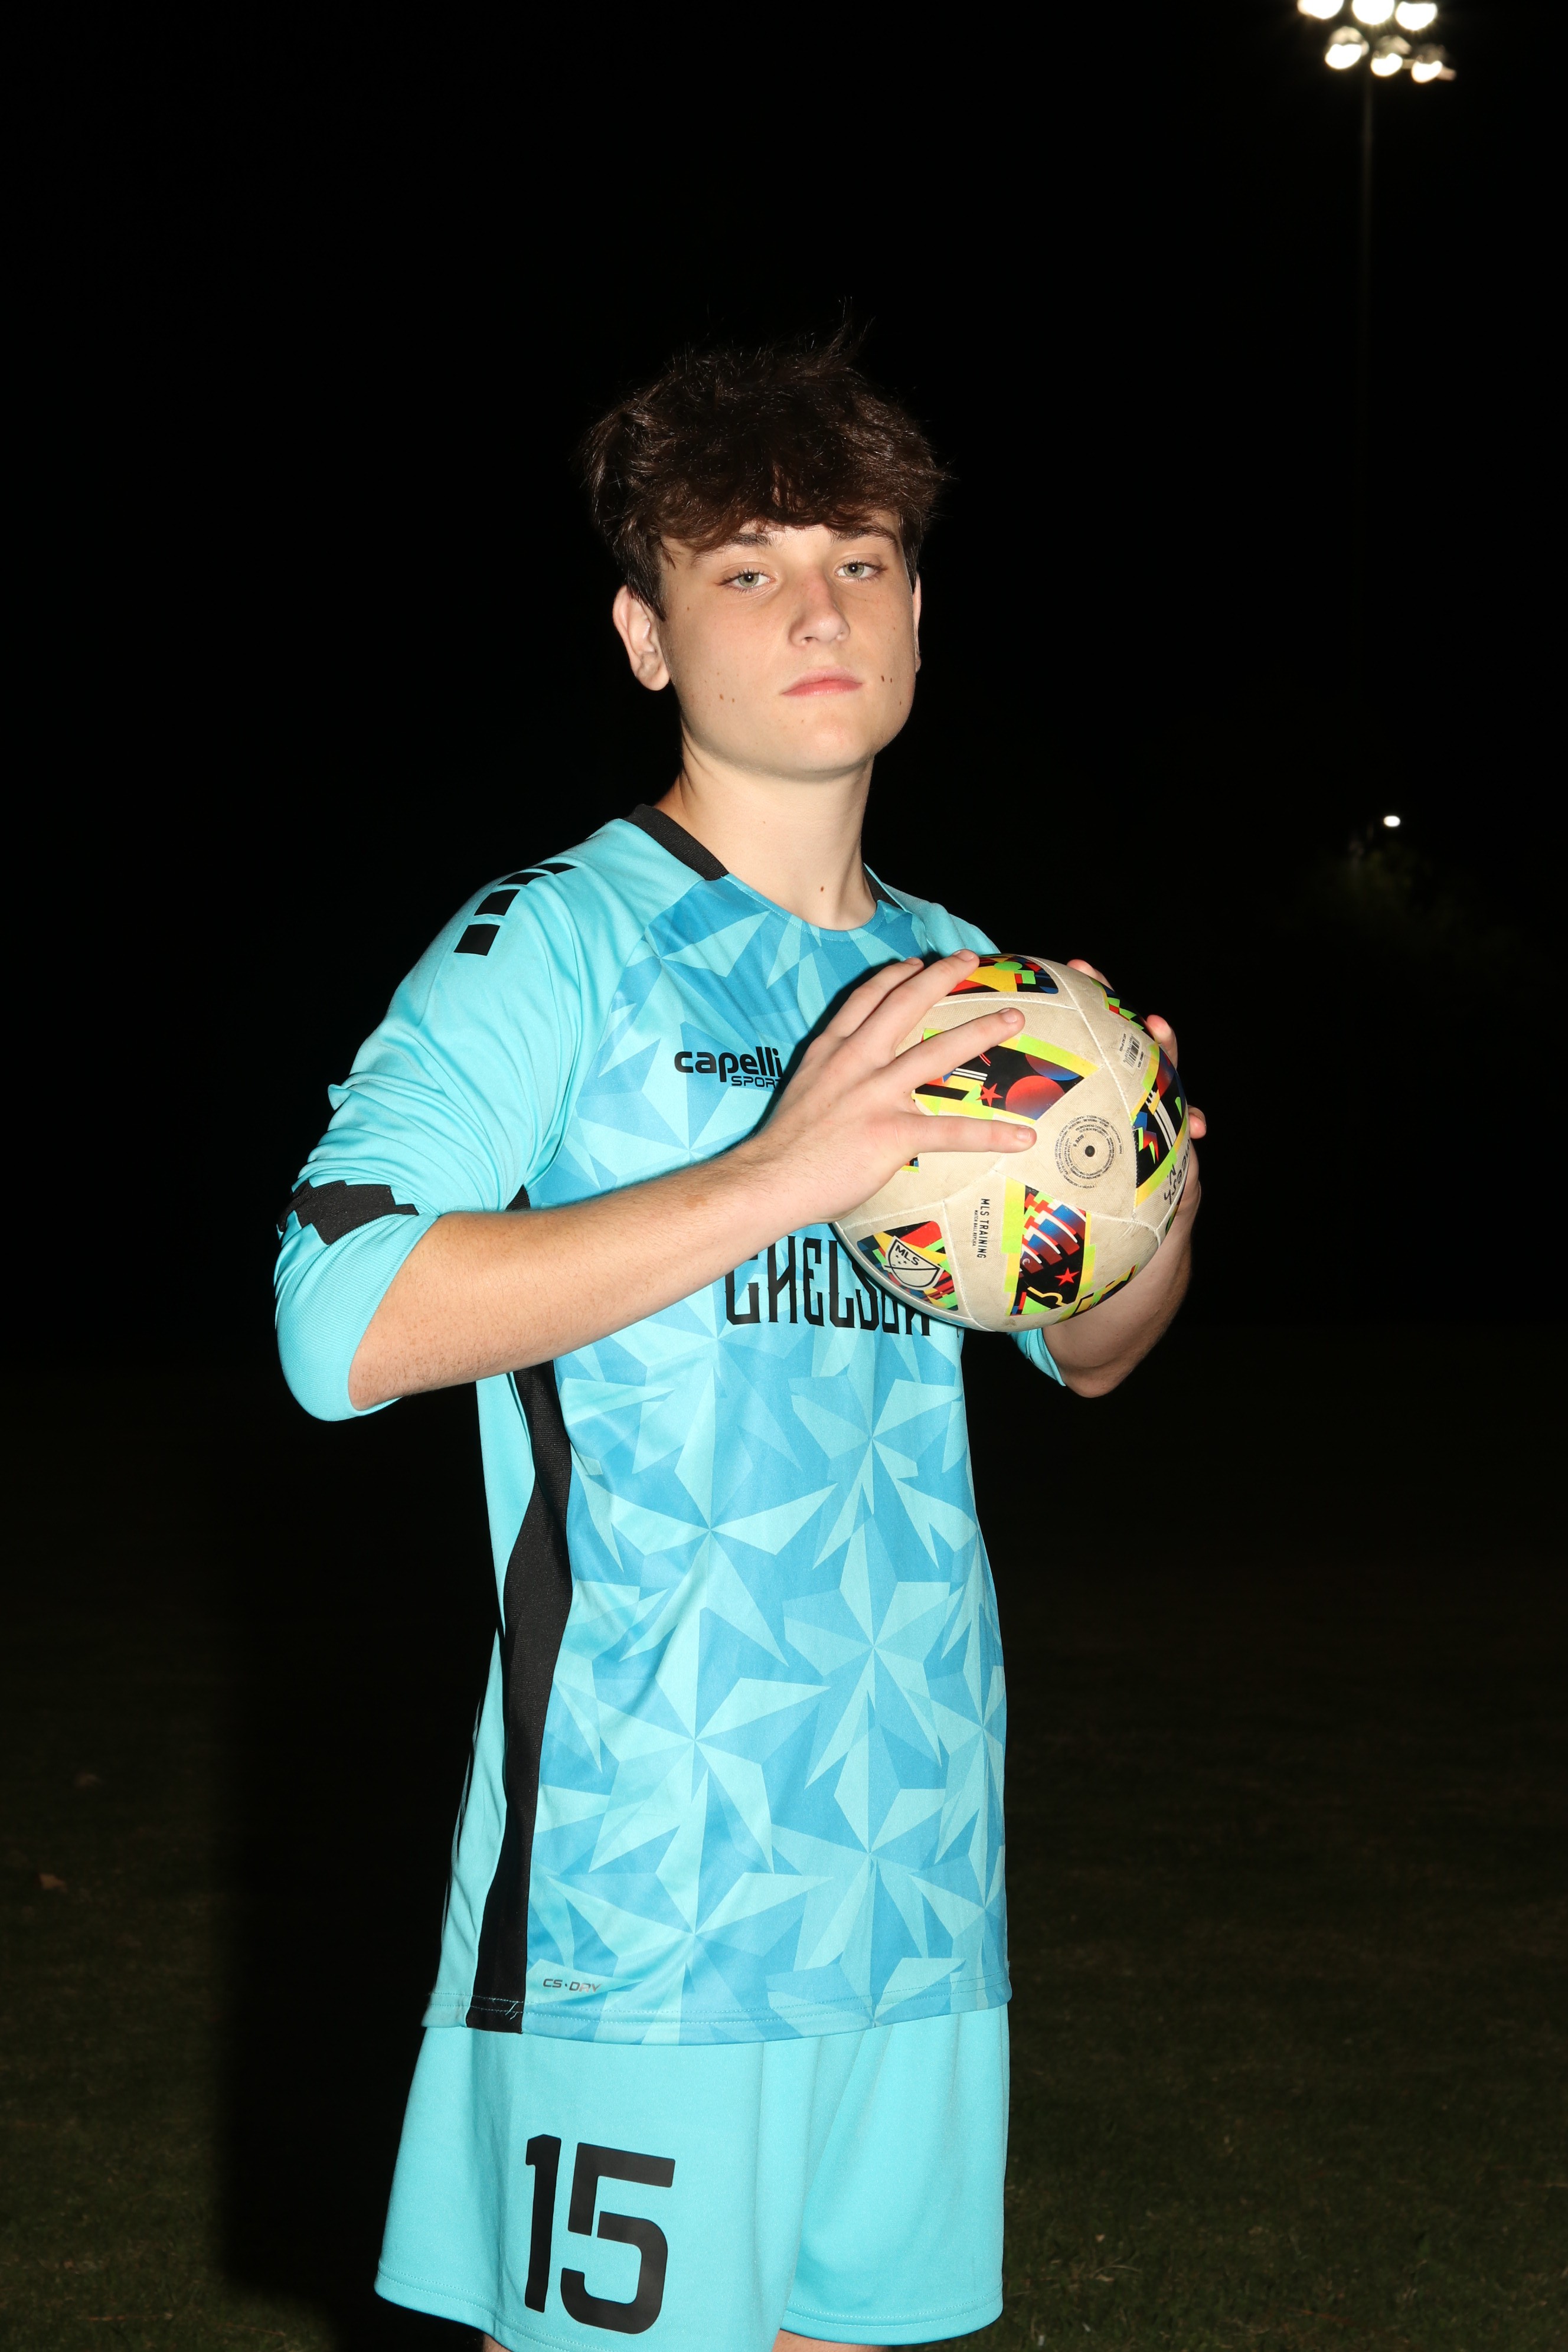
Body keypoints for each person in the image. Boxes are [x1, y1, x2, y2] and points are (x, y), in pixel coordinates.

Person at [275, 333, 1204, 2352]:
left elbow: (1101, 1356)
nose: (819, 610)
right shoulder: (554, 944)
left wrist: (1142, 1193)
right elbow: (335, 1322)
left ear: (921, 613)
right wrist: (785, 1170)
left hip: (916, 1873)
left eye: (862, 562)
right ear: (645, 634)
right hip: (646, 1892)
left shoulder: (965, 986)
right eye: (748, 568)